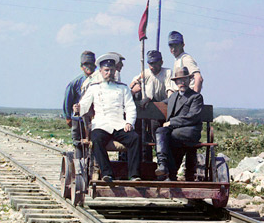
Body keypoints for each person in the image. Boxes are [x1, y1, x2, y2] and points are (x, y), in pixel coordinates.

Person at [73, 53, 141, 183]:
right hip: (101, 124)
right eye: (106, 70)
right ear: (101, 71)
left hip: (119, 124)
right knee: (97, 139)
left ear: (115, 71)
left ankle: (133, 175)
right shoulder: (94, 88)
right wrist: (78, 108)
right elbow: (84, 105)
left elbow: (130, 107)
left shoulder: (123, 88)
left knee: (134, 138)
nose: (109, 73)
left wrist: (129, 123)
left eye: (111, 70)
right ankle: (107, 173)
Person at [154, 66, 204, 181]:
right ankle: (162, 165)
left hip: (190, 131)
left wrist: (172, 122)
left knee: (169, 136)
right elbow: (160, 104)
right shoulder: (173, 96)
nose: (182, 82)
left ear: (189, 80)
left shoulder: (195, 97)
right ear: (176, 82)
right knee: (160, 131)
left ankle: (169, 172)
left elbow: (192, 117)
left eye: (184, 79)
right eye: (179, 80)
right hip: (174, 130)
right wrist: (148, 100)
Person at [63, 51, 96, 158]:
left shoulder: (99, 81)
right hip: (78, 120)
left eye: (91, 64)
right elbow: (67, 101)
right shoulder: (75, 83)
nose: (89, 67)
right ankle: (79, 169)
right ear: (81, 66)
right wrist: (68, 117)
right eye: (86, 64)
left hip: (94, 119)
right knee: (78, 144)